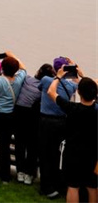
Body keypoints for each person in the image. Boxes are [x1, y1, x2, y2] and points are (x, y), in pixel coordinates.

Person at [46, 69, 97, 203]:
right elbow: (93, 86)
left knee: (73, 187)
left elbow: (51, 92)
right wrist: (83, 76)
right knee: (92, 187)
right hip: (92, 153)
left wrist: (58, 77)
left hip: (73, 152)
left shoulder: (71, 108)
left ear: (78, 92)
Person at [38, 56, 80, 198]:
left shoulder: (46, 81)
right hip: (62, 123)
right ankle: (55, 183)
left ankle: (45, 186)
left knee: (45, 154)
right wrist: (74, 68)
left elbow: (42, 88)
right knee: (56, 155)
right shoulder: (71, 86)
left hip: (45, 122)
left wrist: (58, 77)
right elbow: (79, 84)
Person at [0, 52, 27, 183]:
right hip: (10, 115)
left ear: (2, 68)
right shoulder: (19, 79)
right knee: (5, 145)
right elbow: (23, 68)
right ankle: (5, 175)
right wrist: (13, 55)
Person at [15, 63, 55, 185]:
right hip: (34, 118)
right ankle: (29, 173)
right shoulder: (47, 88)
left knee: (20, 144)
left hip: (19, 114)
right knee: (32, 146)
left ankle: (20, 172)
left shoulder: (27, 79)